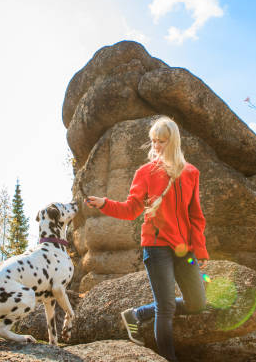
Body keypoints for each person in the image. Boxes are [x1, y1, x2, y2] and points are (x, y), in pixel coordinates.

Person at [85, 116, 208, 362]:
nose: (157, 146)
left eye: (162, 141)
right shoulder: (145, 172)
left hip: (184, 250)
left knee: (197, 303)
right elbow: (131, 209)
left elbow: (196, 215)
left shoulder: (191, 173)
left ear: (173, 141)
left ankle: (137, 314)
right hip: (156, 246)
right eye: (154, 141)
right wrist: (105, 204)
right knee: (166, 308)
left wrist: (200, 250)